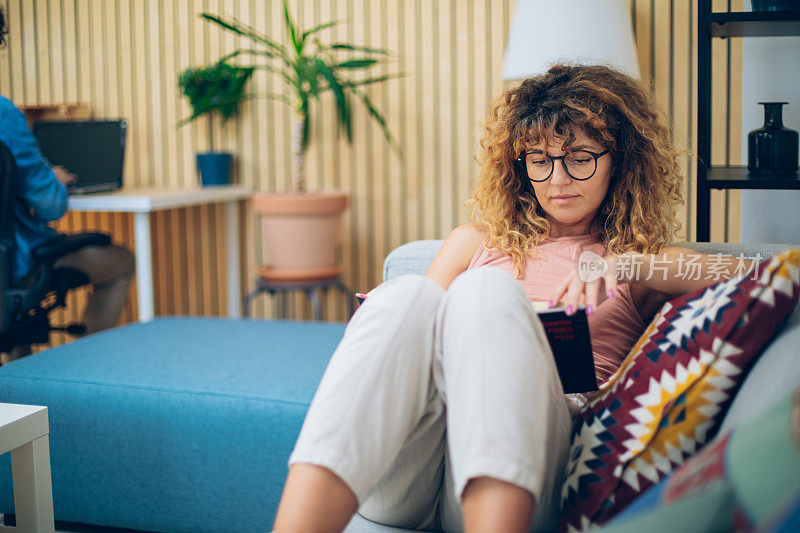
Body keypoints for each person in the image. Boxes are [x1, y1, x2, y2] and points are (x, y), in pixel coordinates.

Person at [273, 64, 756, 532]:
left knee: (486, 292)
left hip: (535, 456)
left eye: (580, 158)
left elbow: (757, 274)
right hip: (417, 468)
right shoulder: (473, 243)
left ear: (620, 161)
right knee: (406, 297)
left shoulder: (643, 263)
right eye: (540, 161)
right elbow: (416, 337)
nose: (558, 180)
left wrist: (629, 263)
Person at [0, 7, 135, 362]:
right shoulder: (3, 114)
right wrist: (52, 177)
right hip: (15, 265)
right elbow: (50, 206)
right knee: (121, 262)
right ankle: (84, 374)